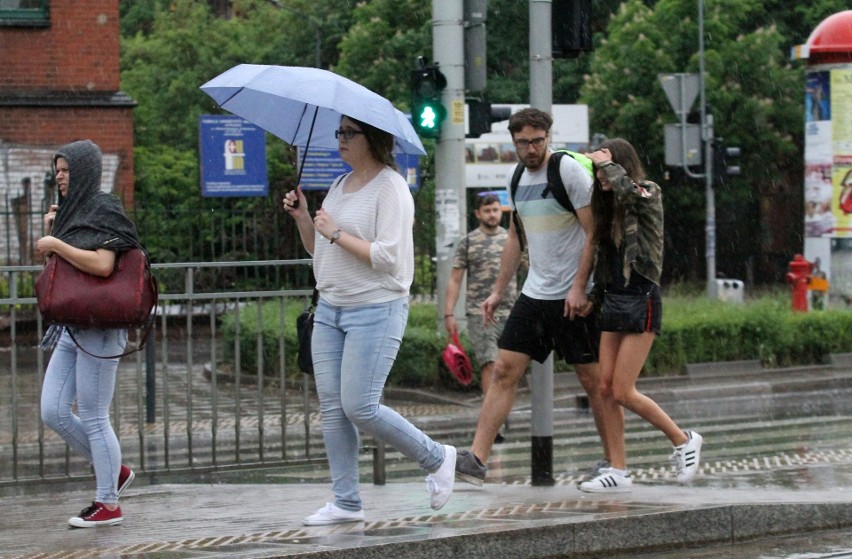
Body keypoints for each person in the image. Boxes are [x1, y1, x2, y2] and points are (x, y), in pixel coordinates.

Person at [283, 116, 456, 526]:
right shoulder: (341, 185)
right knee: (333, 410)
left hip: (376, 308)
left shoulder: (391, 188)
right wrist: (305, 218)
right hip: (330, 309)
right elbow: (318, 249)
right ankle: (346, 501)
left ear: (372, 138)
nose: (340, 139)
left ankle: (436, 457)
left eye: (349, 133)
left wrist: (335, 231)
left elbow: (387, 257)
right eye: (339, 133)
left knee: (360, 406)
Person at [454, 108, 623, 487]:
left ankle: (615, 461)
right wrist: (498, 290)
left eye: (537, 141)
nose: (531, 149)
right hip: (535, 293)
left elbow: (593, 232)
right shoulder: (516, 178)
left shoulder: (567, 171)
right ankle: (476, 458)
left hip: (571, 296)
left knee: (593, 381)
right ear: (512, 142)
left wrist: (580, 287)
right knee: (503, 369)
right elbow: (516, 236)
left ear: (548, 137)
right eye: (523, 142)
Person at [580, 138, 702, 492]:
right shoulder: (605, 207)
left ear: (620, 165)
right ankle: (618, 470)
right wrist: (594, 297)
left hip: (642, 299)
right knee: (604, 388)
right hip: (614, 301)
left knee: (622, 390)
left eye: (605, 169)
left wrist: (607, 165)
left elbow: (630, 193)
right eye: (597, 171)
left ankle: (683, 440)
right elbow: (606, 260)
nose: (600, 177)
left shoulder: (648, 193)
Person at [36, 140, 137, 528]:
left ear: (84, 171)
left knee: (94, 415)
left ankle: (108, 503)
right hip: (74, 324)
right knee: (53, 411)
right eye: (57, 170)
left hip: (103, 325)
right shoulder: (72, 213)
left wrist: (58, 242)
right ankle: (114, 470)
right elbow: (60, 272)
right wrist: (54, 233)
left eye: (65, 170)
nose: (59, 177)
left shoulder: (104, 207)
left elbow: (103, 265)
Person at [444, 193, 518, 442]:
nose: (492, 215)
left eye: (496, 210)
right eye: (487, 211)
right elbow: (455, 279)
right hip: (480, 314)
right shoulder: (468, 242)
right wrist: (449, 312)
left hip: (511, 311)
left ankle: (501, 415)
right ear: (477, 214)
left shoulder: (513, 239)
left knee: (507, 368)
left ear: (502, 211)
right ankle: (494, 424)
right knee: (490, 364)